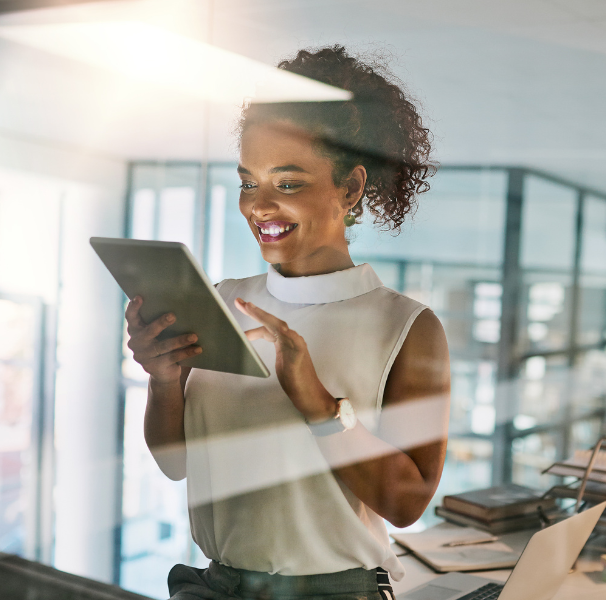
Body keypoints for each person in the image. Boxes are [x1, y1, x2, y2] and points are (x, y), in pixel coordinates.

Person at [125, 45, 450, 600]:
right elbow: (175, 462)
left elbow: (407, 503)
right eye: (249, 182)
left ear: (349, 190)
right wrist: (161, 379)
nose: (259, 205)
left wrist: (320, 408)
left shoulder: (405, 326)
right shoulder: (221, 301)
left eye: (289, 183)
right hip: (214, 587)